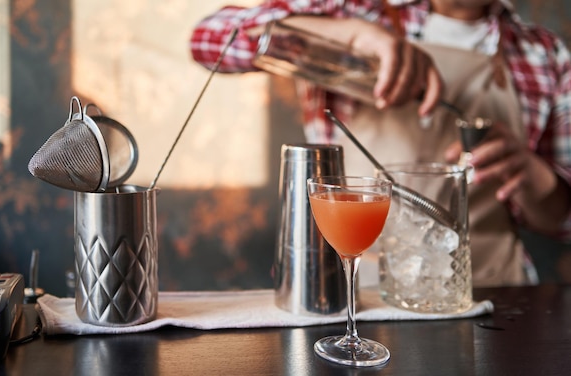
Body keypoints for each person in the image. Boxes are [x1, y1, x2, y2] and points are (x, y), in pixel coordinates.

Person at [189, 0, 571, 287]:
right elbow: (208, 41)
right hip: (351, 289)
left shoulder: (544, 54)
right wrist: (354, 35)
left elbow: (562, 223)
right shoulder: (353, 11)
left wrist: (538, 180)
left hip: (491, 294)